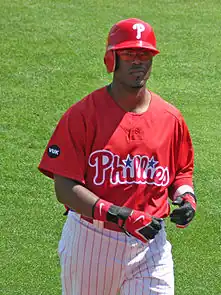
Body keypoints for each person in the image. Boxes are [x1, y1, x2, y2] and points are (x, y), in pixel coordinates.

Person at [38, 18, 197, 295]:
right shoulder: (83, 115)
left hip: (151, 247)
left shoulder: (170, 118)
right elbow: (64, 187)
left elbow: (181, 171)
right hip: (93, 242)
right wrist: (119, 215)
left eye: (145, 54)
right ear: (112, 59)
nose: (139, 61)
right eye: (129, 54)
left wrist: (186, 198)